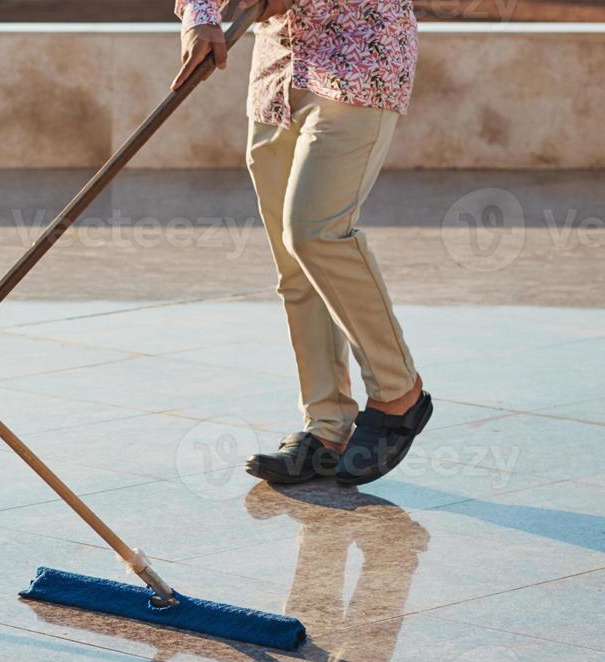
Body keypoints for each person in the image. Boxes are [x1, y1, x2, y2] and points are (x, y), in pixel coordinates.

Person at [174, 0, 431, 486]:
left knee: (314, 233)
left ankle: (399, 392)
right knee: (295, 266)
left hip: (358, 59)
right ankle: (326, 426)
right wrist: (201, 17)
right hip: (277, 72)